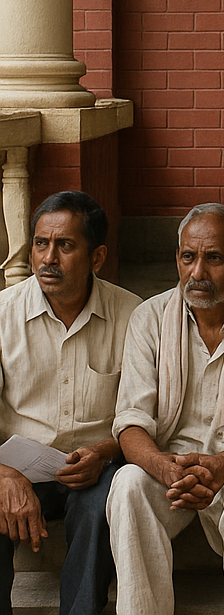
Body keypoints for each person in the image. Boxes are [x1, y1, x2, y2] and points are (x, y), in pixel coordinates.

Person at [106, 203, 224, 615]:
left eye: (214, 259)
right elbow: (131, 422)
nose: (197, 273)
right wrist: (162, 467)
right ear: (177, 258)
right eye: (188, 257)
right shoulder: (148, 318)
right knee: (126, 484)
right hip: (170, 470)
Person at [0, 191, 140, 615]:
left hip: (94, 466)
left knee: (104, 500)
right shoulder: (2, 315)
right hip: (15, 466)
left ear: (97, 258)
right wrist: (4, 474)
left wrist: (103, 452)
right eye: (41, 243)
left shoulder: (133, 316)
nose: (48, 258)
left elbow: (144, 415)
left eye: (65, 246)